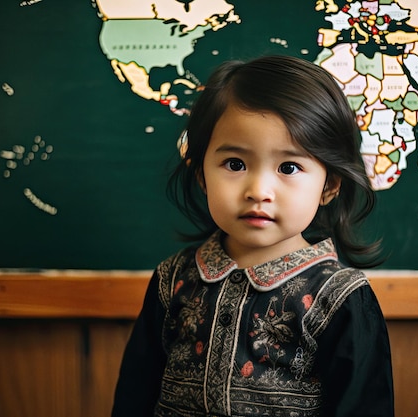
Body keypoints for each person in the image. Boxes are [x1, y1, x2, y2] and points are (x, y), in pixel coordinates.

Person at [112, 55, 394, 417]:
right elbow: (134, 397)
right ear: (201, 174)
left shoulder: (340, 299)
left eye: (289, 167)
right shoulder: (174, 280)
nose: (258, 190)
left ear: (329, 185)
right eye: (235, 164)